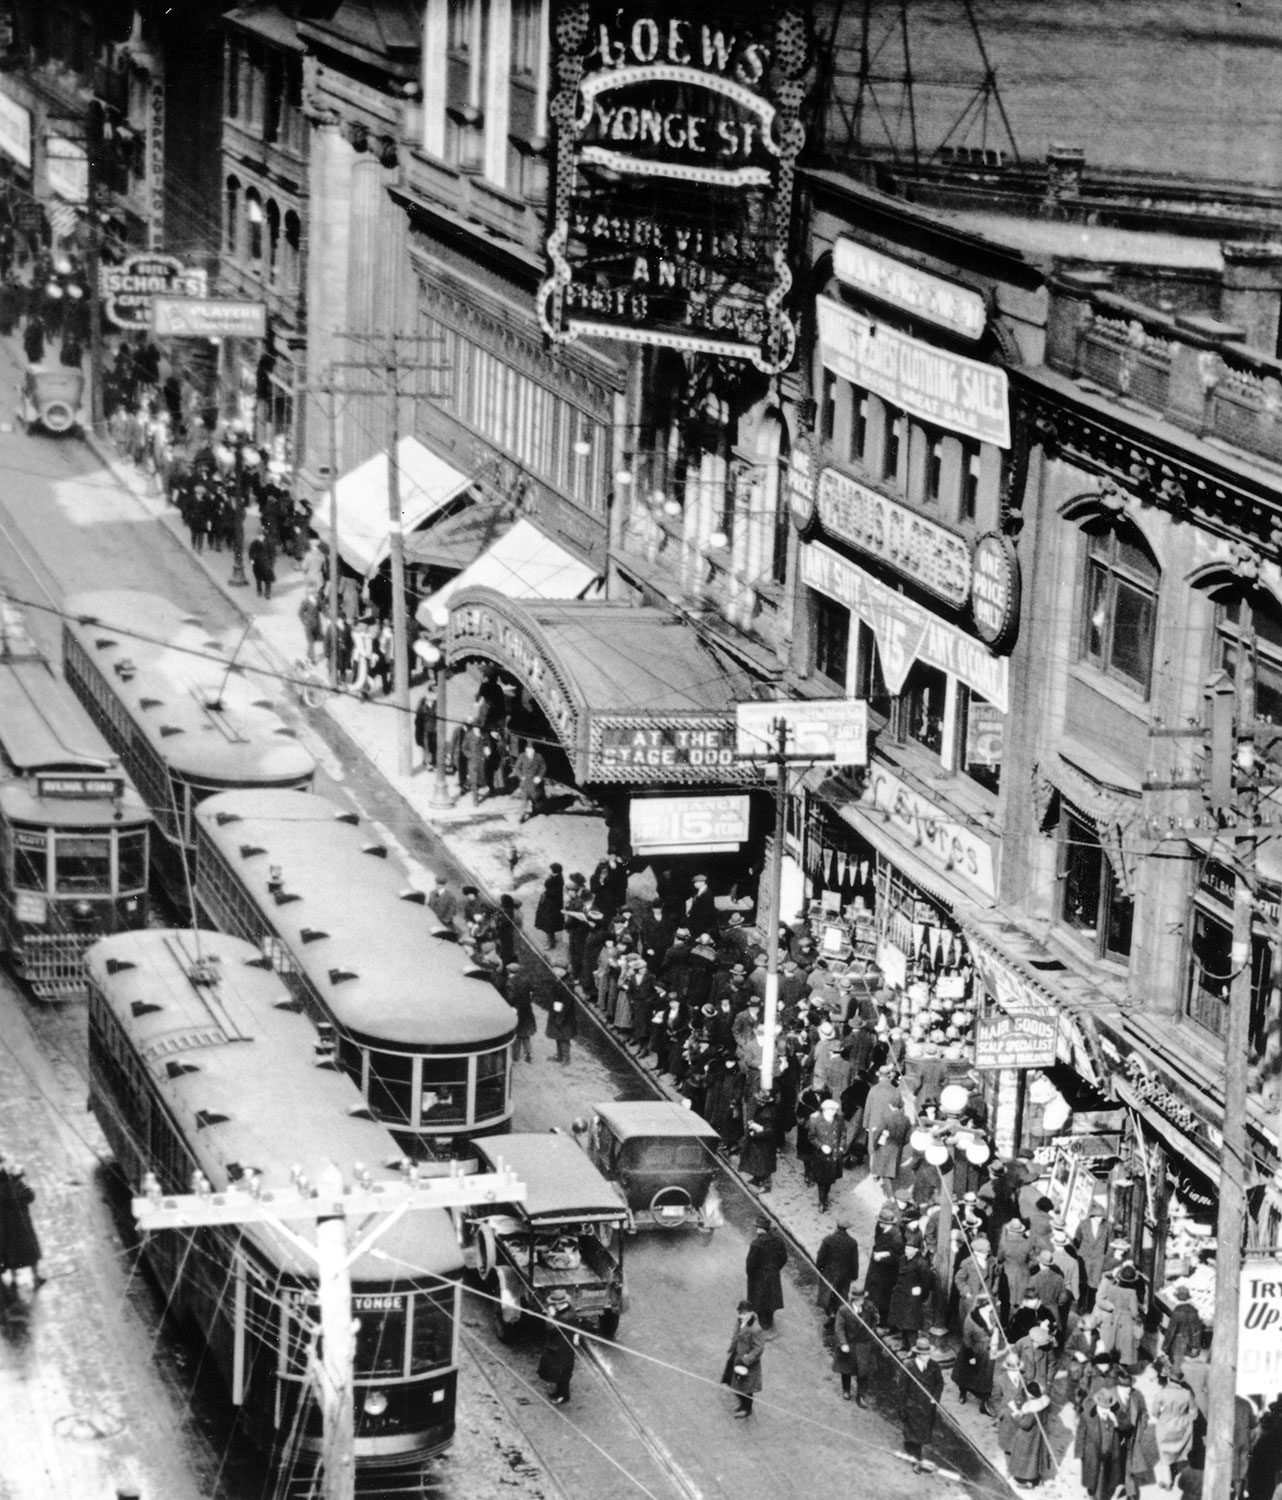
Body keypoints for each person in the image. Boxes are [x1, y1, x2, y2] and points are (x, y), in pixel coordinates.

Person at [1149, 1357, 1197, 1489]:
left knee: (1164, 1454)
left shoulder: (1162, 1394)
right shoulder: (1187, 1394)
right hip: (1182, 1425)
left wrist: (1163, 1417)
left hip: (1165, 1425)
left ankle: (1167, 1481)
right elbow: (1194, 1414)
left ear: (1168, 1378)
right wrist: (1185, 1420)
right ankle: (1171, 1473)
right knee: (1176, 1451)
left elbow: (1154, 1412)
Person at [901, 1337, 945, 1474]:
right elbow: (902, 1389)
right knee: (915, 1433)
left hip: (927, 1406)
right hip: (912, 1406)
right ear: (918, 1354)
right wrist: (902, 1408)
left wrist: (935, 1398)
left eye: (928, 1354)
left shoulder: (934, 1367)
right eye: (924, 1354)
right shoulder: (909, 1366)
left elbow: (939, 1384)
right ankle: (916, 1461)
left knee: (921, 1433)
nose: (926, 1357)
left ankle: (911, 1446)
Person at [1078, 1387, 1129, 1500]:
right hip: (1093, 1452)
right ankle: (1094, 1495)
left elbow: (1127, 1426)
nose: (1106, 1409)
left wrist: (1116, 1423)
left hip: (1110, 1452)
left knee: (1105, 1477)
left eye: (1108, 1407)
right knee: (1094, 1477)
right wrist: (1080, 1451)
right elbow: (1081, 1432)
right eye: (1103, 1407)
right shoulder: (1088, 1416)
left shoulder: (1115, 1414)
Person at [0, 1163, 43, 1286]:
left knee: (11, 1254)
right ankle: (35, 1277)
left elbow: (30, 1196)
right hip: (21, 1225)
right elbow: (30, 1195)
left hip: (9, 1228)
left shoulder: (12, 1187)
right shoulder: (18, 1185)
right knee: (29, 1252)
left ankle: (15, 1281)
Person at [815, 1215, 861, 1331]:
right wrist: (854, 1275)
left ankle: (831, 1315)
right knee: (840, 1297)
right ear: (846, 1229)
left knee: (828, 1295)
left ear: (837, 1227)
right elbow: (854, 1261)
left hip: (829, 1273)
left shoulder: (828, 1240)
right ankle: (837, 1317)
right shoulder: (852, 1243)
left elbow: (820, 1258)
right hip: (844, 1275)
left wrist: (820, 1270)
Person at [832, 1293, 877, 1405]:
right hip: (850, 1343)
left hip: (863, 1344)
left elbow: (875, 1320)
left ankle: (861, 1396)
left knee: (863, 1371)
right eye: (859, 1299)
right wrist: (843, 1343)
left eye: (863, 1298)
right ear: (853, 1299)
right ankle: (846, 1389)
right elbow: (839, 1328)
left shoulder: (869, 1307)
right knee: (846, 1369)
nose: (862, 1300)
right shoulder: (843, 1310)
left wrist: (871, 1331)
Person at [1008, 1380, 1054, 1488]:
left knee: (1027, 1459)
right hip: (1039, 1434)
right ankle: (1036, 1478)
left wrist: (1018, 1417)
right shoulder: (1044, 1403)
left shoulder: (1032, 1409)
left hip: (1029, 1437)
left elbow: (1025, 1424)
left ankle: (1027, 1479)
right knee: (1036, 1456)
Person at [537, 1288, 580, 1404]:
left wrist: (551, 1315)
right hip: (562, 1347)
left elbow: (549, 1328)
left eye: (554, 1304)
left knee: (562, 1374)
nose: (553, 1306)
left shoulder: (565, 1318)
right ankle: (560, 1393)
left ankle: (564, 1396)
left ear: (559, 1304)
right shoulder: (570, 1310)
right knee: (561, 1373)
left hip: (561, 1349)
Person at [724, 1300, 765, 1418]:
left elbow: (759, 1348)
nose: (741, 1315)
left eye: (743, 1313)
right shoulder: (740, 1321)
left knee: (747, 1387)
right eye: (740, 1312)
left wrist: (748, 1358)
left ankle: (747, 1409)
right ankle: (743, 1404)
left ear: (750, 1312)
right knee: (734, 1381)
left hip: (747, 1362)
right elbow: (736, 1335)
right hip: (737, 1356)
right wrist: (732, 1346)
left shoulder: (755, 1329)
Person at [745, 1216, 788, 1330]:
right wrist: (775, 1269)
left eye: (757, 1227)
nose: (755, 1230)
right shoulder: (779, 1241)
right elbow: (783, 1258)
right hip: (773, 1276)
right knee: (771, 1301)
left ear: (761, 1229)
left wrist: (751, 1276)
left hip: (759, 1279)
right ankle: (768, 1322)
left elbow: (750, 1264)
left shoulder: (756, 1244)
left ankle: (764, 1328)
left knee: (759, 1303)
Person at [953, 1304, 997, 1414]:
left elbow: (995, 1329)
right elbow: (967, 1340)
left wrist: (994, 1341)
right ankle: (963, 1392)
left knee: (985, 1378)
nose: (992, 1307)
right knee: (966, 1374)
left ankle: (984, 1402)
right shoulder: (971, 1318)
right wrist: (971, 1356)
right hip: (973, 1351)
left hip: (987, 1351)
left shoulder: (993, 1314)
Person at [1162, 1285, 1203, 1373]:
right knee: (1187, 1368)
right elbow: (1196, 1330)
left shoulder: (1177, 1311)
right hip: (1190, 1343)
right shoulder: (1194, 1311)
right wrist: (1195, 1346)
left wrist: (1165, 1346)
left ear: (1178, 1298)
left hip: (1178, 1343)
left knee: (1177, 1366)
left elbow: (1171, 1331)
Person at [544, 963, 577, 1064]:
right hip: (557, 1011)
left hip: (564, 1015)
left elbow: (565, 1002)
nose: (555, 971)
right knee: (558, 1035)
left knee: (564, 1037)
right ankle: (559, 1056)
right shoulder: (561, 979)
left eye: (557, 969)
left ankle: (566, 1059)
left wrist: (559, 1017)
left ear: (563, 970)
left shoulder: (568, 984)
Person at [504, 963, 537, 1062]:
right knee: (526, 1034)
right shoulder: (526, 980)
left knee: (517, 1035)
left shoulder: (510, 983)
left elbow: (511, 998)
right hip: (526, 1011)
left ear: (509, 972)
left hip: (517, 1011)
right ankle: (529, 1054)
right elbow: (533, 989)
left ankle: (515, 1056)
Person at [515, 740, 548, 823]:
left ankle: (536, 811)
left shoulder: (538, 757)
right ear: (526, 749)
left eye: (532, 749)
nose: (530, 751)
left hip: (534, 783)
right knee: (524, 800)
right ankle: (521, 816)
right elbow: (517, 768)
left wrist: (539, 777)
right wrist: (521, 776)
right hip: (525, 782)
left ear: (534, 750)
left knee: (535, 799)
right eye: (529, 749)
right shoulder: (522, 756)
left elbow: (543, 767)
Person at [534, 864, 564, 952]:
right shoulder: (555, 877)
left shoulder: (557, 879)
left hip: (551, 905)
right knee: (547, 923)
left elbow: (553, 892)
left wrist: (546, 893)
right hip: (548, 904)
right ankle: (550, 938)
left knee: (549, 923)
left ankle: (551, 942)